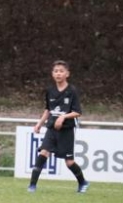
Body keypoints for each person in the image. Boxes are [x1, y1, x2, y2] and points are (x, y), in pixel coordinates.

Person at [28, 60, 89, 193]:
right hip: (51, 128)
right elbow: (48, 110)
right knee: (43, 153)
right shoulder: (50, 91)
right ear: (52, 74)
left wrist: (63, 117)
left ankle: (82, 182)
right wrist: (39, 124)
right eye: (56, 71)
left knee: (69, 162)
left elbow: (77, 112)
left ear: (67, 74)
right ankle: (32, 186)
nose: (58, 74)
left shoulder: (72, 91)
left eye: (61, 71)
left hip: (66, 130)